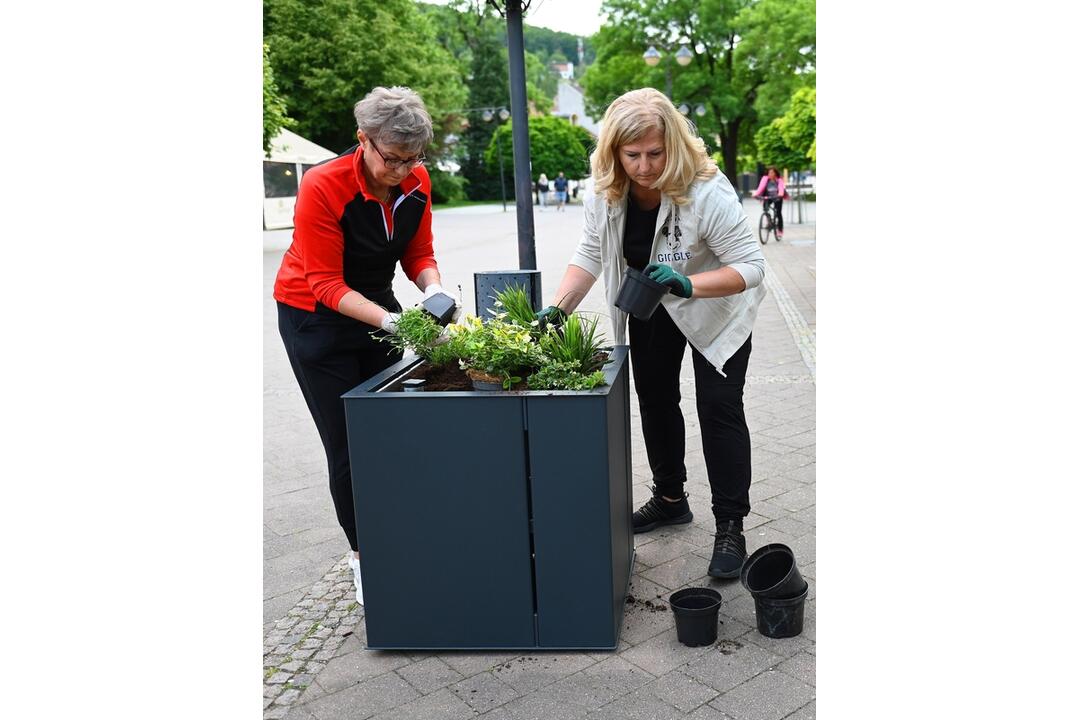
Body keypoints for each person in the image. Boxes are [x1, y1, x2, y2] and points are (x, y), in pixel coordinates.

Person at [536, 88, 766, 578]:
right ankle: (670, 499)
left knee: (719, 408)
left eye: (655, 153)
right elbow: (590, 253)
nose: (644, 167)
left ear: (673, 145)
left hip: (715, 306)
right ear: (614, 152)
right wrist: (558, 308)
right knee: (656, 401)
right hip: (651, 304)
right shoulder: (604, 191)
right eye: (632, 155)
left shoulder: (707, 189)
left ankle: (730, 525)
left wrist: (688, 283)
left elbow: (751, 267)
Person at [273, 86, 457, 604]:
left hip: (375, 305)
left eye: (414, 158)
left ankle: (402, 530)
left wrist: (433, 289)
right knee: (349, 442)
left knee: (392, 431)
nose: (403, 170)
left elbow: (418, 252)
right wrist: (392, 322)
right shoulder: (323, 184)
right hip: (314, 319)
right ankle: (364, 557)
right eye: (393, 158)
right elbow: (324, 283)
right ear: (363, 139)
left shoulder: (416, 180)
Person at [752, 166, 787, 240]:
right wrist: (756, 194)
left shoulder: (779, 180)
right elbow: (761, 188)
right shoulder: (765, 179)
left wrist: (780, 194)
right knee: (765, 207)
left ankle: (780, 230)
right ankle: (768, 220)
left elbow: (781, 188)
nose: (770, 174)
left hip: (777, 197)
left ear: (775, 173)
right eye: (769, 173)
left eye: (772, 172)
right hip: (769, 197)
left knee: (778, 213)